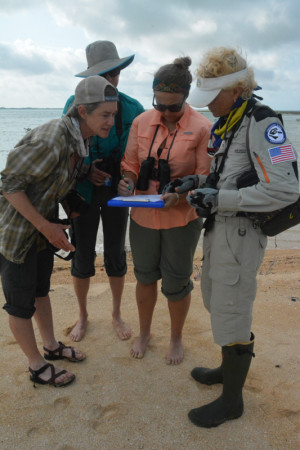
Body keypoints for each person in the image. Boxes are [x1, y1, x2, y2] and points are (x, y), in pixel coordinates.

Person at [165, 47, 299, 426]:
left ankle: (232, 401)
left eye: (214, 98)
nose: (208, 107)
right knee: (216, 300)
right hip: (221, 228)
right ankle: (228, 370)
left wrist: (219, 197)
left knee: (233, 310)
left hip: (241, 232)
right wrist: (197, 182)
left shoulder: (263, 121)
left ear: (238, 89)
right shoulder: (232, 121)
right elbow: (228, 173)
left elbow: (287, 189)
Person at [0, 76, 119, 387]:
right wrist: (46, 226)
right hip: (16, 233)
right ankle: (36, 366)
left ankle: (51, 347)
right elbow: (8, 184)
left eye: (113, 114)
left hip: (43, 229)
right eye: (104, 115)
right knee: (19, 303)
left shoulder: (82, 138)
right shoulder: (52, 138)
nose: (111, 121)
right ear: (82, 111)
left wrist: (88, 171)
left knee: (41, 290)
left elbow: (62, 169)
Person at [118, 56, 212, 365]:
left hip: (181, 217)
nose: (166, 113)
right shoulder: (142, 122)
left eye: (173, 107)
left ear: (186, 97)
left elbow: (205, 177)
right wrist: (127, 182)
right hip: (143, 215)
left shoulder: (202, 127)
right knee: (145, 277)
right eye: (160, 105)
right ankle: (144, 333)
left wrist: (181, 196)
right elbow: (130, 163)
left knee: (176, 281)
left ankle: (175, 337)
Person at [63, 40, 144, 342]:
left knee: (115, 252)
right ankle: (82, 316)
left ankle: (116, 314)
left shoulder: (133, 108)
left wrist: (127, 179)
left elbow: (134, 157)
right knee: (81, 255)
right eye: (103, 75)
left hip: (115, 191)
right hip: (82, 189)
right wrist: (86, 171)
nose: (111, 81)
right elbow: (65, 152)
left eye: (115, 74)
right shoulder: (72, 106)